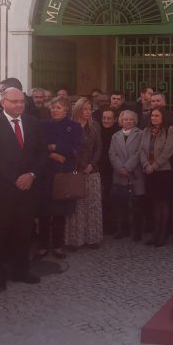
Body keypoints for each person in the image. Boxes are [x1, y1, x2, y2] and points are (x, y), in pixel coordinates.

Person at [0, 87, 46, 292]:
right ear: (3, 102)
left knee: (23, 232)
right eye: (14, 102)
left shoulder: (33, 123)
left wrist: (31, 174)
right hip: (1, 190)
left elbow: (42, 153)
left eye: (22, 102)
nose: (19, 105)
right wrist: (14, 178)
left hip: (27, 189)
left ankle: (21, 271)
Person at [36, 96, 80, 259]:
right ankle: (42, 246)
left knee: (60, 212)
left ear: (66, 109)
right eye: (53, 107)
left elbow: (74, 149)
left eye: (58, 107)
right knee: (44, 212)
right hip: (45, 173)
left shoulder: (74, 126)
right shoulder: (43, 125)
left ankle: (57, 245)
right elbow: (38, 146)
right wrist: (54, 154)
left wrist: (56, 147)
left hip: (63, 173)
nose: (54, 110)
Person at [64, 98, 103, 249]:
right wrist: (82, 165)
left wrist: (91, 164)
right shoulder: (71, 127)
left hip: (92, 171)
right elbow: (71, 149)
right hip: (76, 169)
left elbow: (99, 147)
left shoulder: (95, 126)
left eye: (90, 109)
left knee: (92, 205)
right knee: (77, 205)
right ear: (78, 110)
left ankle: (92, 238)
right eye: (85, 109)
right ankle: (75, 239)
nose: (88, 112)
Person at [140, 108, 173, 247]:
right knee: (154, 202)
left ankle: (163, 234)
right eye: (152, 116)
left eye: (157, 115)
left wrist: (154, 166)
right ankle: (155, 234)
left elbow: (168, 151)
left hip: (163, 171)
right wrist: (145, 164)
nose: (154, 118)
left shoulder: (170, 130)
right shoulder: (146, 131)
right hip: (149, 171)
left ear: (163, 117)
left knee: (163, 203)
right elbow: (141, 150)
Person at [109, 110, 145, 241]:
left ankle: (137, 231)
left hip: (135, 173)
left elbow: (139, 152)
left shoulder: (140, 134)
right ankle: (123, 230)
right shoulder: (115, 136)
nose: (128, 121)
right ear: (121, 121)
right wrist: (120, 168)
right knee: (121, 204)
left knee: (137, 205)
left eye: (130, 119)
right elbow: (112, 154)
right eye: (125, 119)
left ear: (134, 121)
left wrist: (127, 167)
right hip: (119, 174)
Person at [99, 109, 119, 235]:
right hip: (100, 168)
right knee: (102, 198)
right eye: (104, 118)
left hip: (114, 168)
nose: (106, 121)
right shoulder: (98, 131)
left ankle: (113, 225)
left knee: (112, 198)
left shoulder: (117, 133)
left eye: (109, 118)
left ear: (115, 119)